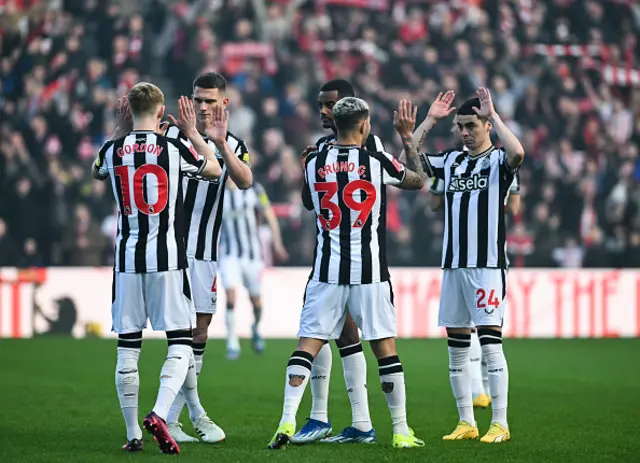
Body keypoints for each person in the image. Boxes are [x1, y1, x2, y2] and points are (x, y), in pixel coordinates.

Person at [267, 97, 426, 450]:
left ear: (335, 125)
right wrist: (408, 140)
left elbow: (310, 202)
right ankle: (400, 430)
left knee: (307, 345)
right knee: (385, 349)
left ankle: (287, 420)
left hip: (326, 271)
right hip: (369, 271)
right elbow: (419, 181)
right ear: (365, 125)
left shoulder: (312, 162)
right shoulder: (377, 161)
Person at [92, 82, 225, 454]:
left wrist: (120, 132)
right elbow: (214, 171)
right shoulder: (173, 148)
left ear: (128, 110)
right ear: (162, 108)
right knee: (180, 341)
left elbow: (96, 172)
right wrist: (192, 134)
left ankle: (133, 432)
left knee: (128, 348)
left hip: (127, 262)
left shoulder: (112, 149)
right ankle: (160, 413)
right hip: (168, 259)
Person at [418, 88, 525, 443]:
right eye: (460, 126)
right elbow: (411, 160)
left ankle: (501, 423)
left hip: (488, 266)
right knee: (457, 348)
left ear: (486, 126)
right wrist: (430, 121)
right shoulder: (450, 162)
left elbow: (519, 152)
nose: (464, 132)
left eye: (470, 125)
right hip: (454, 266)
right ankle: (466, 422)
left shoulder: (498, 161)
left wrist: (495, 116)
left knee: (491, 344)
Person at [162, 72, 253, 443]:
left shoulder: (233, 143)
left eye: (209, 101)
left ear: (224, 104)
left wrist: (220, 145)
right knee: (179, 334)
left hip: (205, 254)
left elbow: (245, 180)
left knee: (199, 332)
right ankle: (178, 415)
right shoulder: (168, 135)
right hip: (169, 250)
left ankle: (176, 417)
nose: (202, 107)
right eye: (197, 99)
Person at [293, 79, 384, 445]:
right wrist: (306, 171)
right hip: (328, 255)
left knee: (332, 332)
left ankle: (335, 419)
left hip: (362, 257)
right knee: (339, 333)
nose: (323, 112)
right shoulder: (320, 149)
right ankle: (345, 422)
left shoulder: (369, 146)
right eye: (320, 105)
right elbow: (308, 202)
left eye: (329, 105)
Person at [219, 179, 288, 359]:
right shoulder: (217, 191)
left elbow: (269, 214)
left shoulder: (255, 189)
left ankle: (255, 327)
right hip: (228, 254)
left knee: (256, 302)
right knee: (231, 297)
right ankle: (232, 343)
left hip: (252, 255)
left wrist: (278, 242)